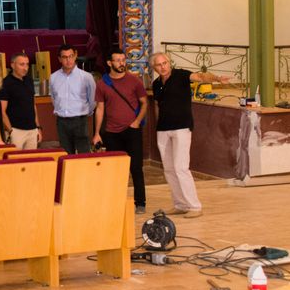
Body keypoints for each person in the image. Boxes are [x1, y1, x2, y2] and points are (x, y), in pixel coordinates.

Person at [149, 52, 229, 218]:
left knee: (181, 167)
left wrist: (217, 78)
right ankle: (180, 204)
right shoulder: (156, 84)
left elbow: (201, 76)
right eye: (159, 65)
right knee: (169, 169)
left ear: (169, 63)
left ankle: (194, 206)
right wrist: (158, 125)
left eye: (165, 63)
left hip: (181, 127)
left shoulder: (181, 75)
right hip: (163, 129)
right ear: (154, 68)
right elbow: (158, 105)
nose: (163, 67)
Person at [92, 48, 148, 212]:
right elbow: (100, 109)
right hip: (112, 133)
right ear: (110, 63)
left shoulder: (134, 81)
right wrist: (97, 133)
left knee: (136, 168)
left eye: (123, 60)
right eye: (117, 60)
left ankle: (140, 203)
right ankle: (116, 202)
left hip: (132, 131)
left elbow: (144, 103)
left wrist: (137, 122)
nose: (121, 63)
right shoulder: (102, 84)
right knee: (115, 170)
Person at [50, 44, 96, 154]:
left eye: (71, 56)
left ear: (75, 56)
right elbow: (54, 98)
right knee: (65, 154)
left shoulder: (86, 77)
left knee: (84, 154)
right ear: (59, 59)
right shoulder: (53, 77)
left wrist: (85, 113)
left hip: (80, 120)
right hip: (62, 121)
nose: (68, 60)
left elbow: (93, 100)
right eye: (65, 57)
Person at [0, 54, 41, 149]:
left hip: (32, 130)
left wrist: (38, 128)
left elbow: (33, 105)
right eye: (22, 64)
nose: (25, 68)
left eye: (27, 64)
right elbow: (1, 110)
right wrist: (10, 131)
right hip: (16, 130)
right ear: (13, 65)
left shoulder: (29, 81)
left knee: (32, 158)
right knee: (14, 157)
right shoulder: (5, 83)